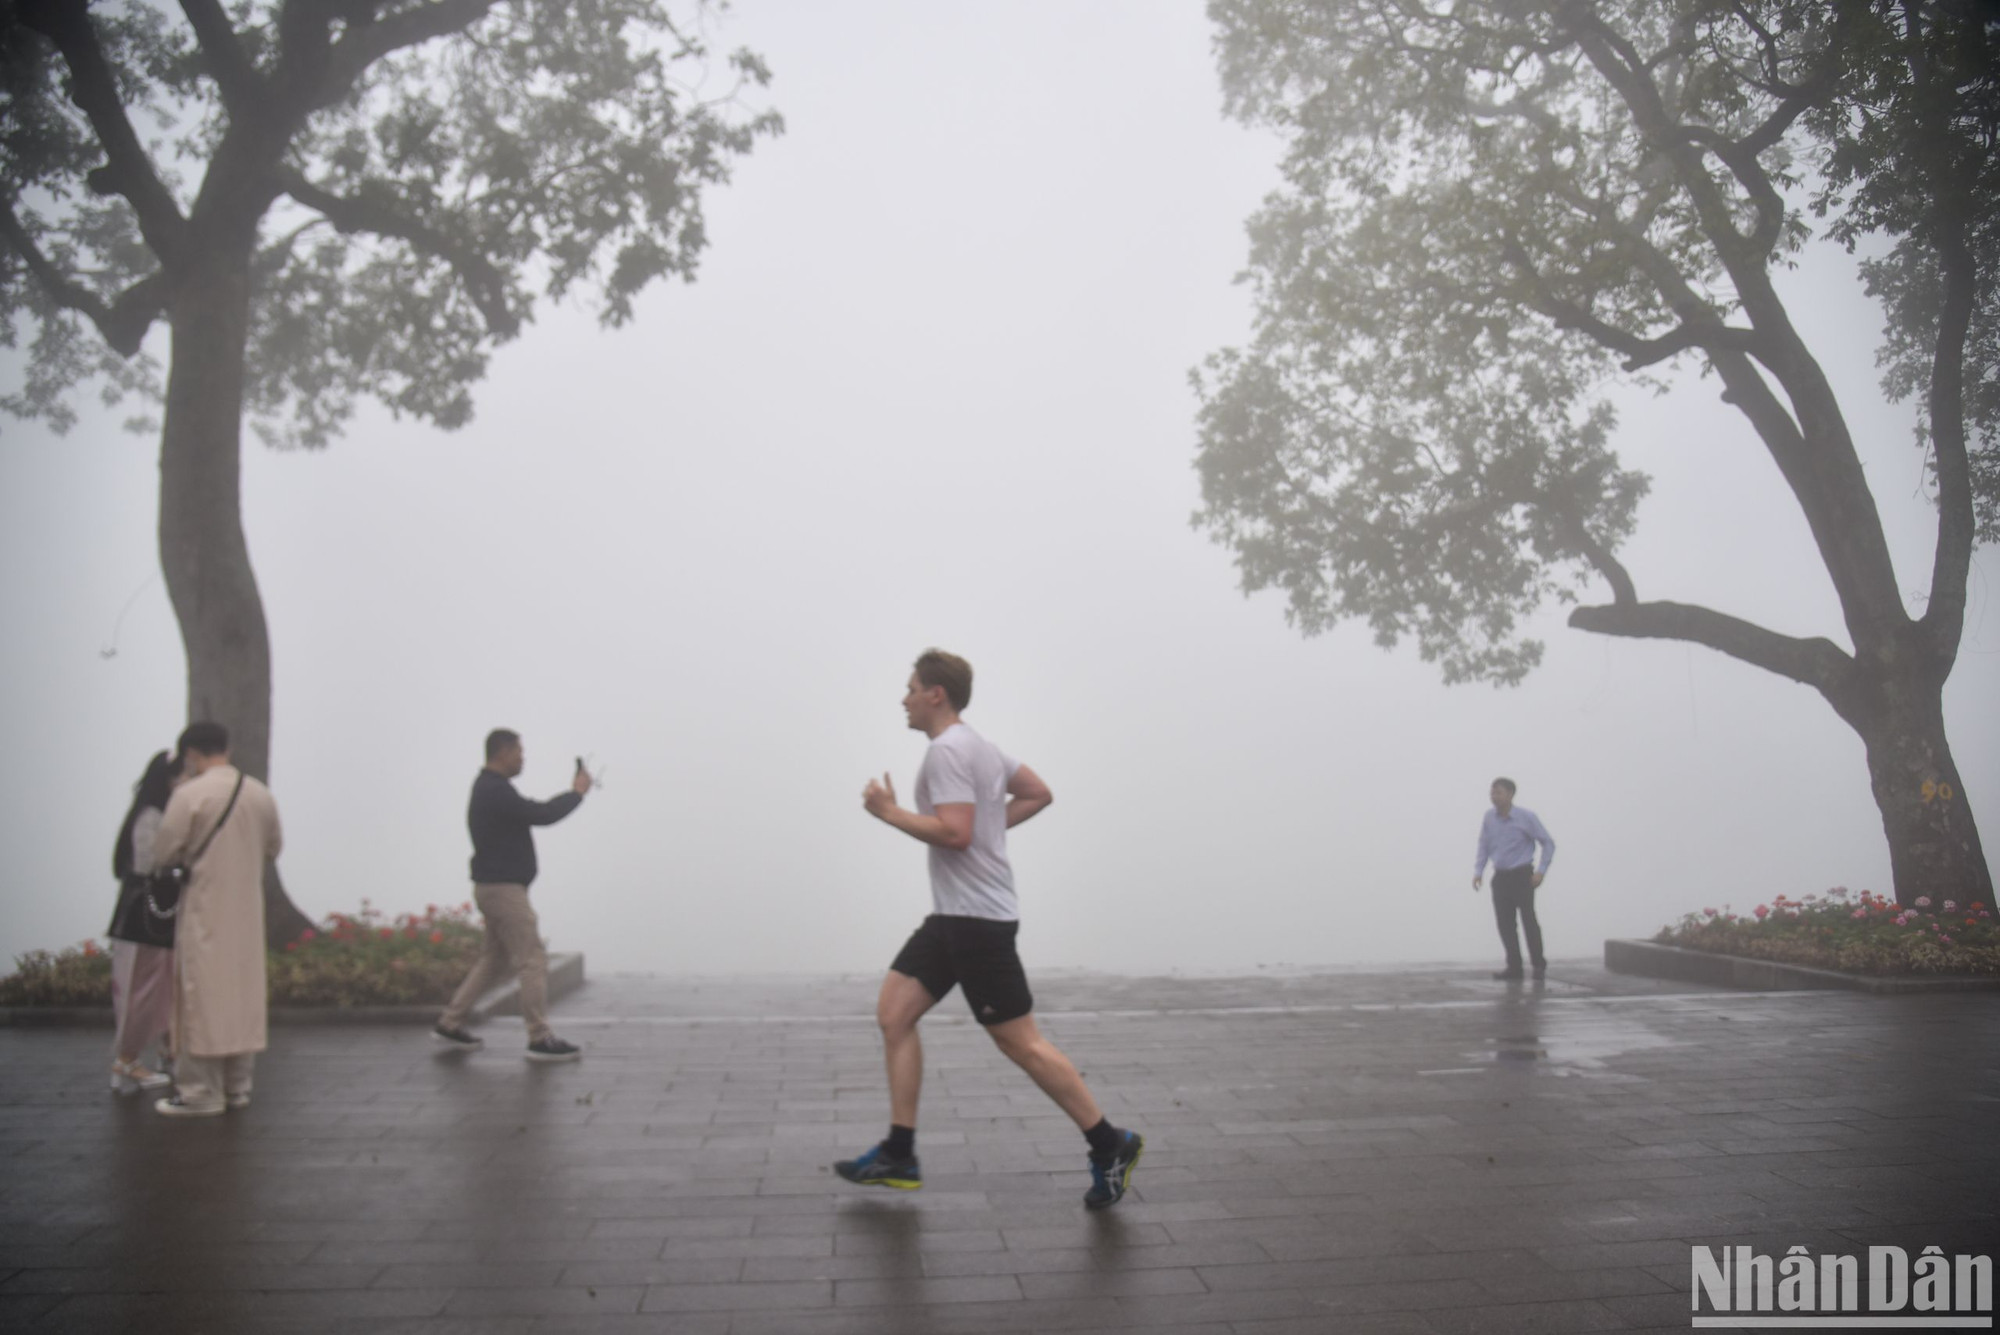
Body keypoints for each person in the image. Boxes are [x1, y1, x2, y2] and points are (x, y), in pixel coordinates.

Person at [833, 650, 1144, 1209]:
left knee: (1019, 1042)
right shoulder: (981, 747)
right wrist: (988, 831)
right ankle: (899, 1153)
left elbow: (954, 833)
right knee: (894, 1013)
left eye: (909, 688)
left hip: (978, 922)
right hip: (953, 917)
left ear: (936, 694)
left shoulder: (950, 751)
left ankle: (1110, 1143)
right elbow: (1036, 793)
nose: (902, 699)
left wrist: (889, 813)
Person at [151, 723, 284, 1117]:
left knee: (201, 994)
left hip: (204, 907)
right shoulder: (259, 794)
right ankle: (238, 1084)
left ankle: (199, 1091)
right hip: (246, 909)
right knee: (242, 995)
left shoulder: (189, 794)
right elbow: (274, 847)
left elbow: (164, 852)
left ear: (191, 753)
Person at [433, 729, 590, 1062]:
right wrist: (576, 794)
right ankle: (540, 1037)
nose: (523, 758)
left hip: (492, 887)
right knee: (532, 959)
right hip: (504, 891)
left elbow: (535, 814)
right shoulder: (495, 791)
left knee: (494, 959)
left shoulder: (488, 788)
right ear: (502, 752)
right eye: (519, 751)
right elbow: (541, 814)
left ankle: (450, 1021)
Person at [105, 749, 181, 1094]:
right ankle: (128, 1061)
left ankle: (165, 1052)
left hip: (147, 914)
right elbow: (151, 863)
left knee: (160, 984)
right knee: (142, 988)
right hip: (145, 917)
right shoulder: (152, 815)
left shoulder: (148, 811)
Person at [1472, 777, 1556, 980]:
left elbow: (1548, 843)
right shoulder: (1489, 818)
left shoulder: (1526, 817)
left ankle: (1538, 964)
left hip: (1522, 875)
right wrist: (1478, 871)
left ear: (1510, 794)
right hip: (1500, 877)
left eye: (1498, 792)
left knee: (1528, 920)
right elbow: (1484, 845)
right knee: (1505, 924)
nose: (1494, 796)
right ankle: (1514, 967)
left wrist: (1541, 871)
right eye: (1492, 792)